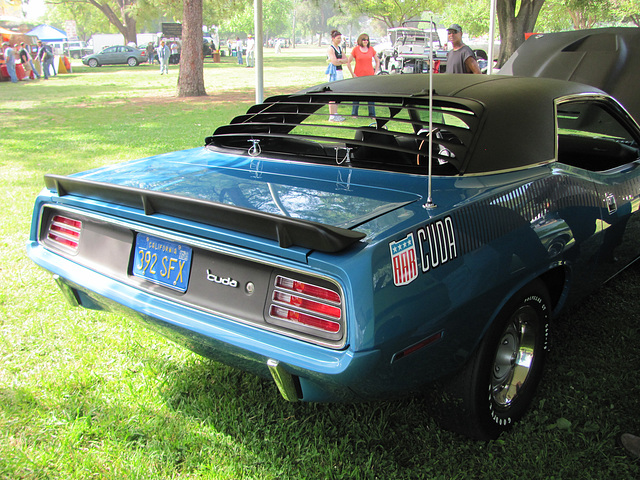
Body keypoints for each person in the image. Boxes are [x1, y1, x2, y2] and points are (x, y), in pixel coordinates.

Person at [347, 33, 380, 117]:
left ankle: (372, 114)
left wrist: (375, 72)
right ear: (360, 40)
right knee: (357, 95)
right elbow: (348, 62)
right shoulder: (356, 50)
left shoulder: (371, 49)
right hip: (358, 76)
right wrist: (352, 73)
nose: (366, 41)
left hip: (370, 76)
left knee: (370, 96)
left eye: (367, 40)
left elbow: (377, 61)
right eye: (364, 39)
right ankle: (354, 113)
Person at [326, 30, 348, 122]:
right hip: (334, 72)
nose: (339, 40)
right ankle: (332, 115)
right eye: (338, 38)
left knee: (338, 93)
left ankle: (335, 113)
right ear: (333, 38)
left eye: (340, 38)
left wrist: (340, 61)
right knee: (332, 93)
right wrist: (339, 60)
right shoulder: (331, 49)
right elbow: (334, 61)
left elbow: (346, 59)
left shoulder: (339, 48)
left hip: (339, 71)